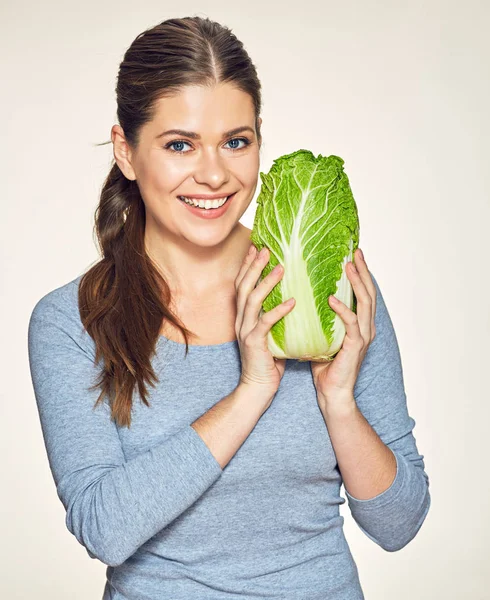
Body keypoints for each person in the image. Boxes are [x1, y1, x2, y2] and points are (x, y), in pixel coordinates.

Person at [27, 16, 431, 600]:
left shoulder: (330, 290)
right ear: (127, 152)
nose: (214, 173)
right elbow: (105, 528)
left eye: (236, 142)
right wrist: (250, 391)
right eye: (179, 145)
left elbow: (400, 524)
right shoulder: (73, 321)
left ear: (259, 141)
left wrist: (337, 401)